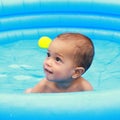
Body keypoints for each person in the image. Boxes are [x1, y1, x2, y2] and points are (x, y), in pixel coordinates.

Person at [25, 32, 94, 93]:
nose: (48, 62)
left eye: (58, 59)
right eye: (48, 55)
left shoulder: (84, 87)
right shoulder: (44, 85)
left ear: (76, 72)